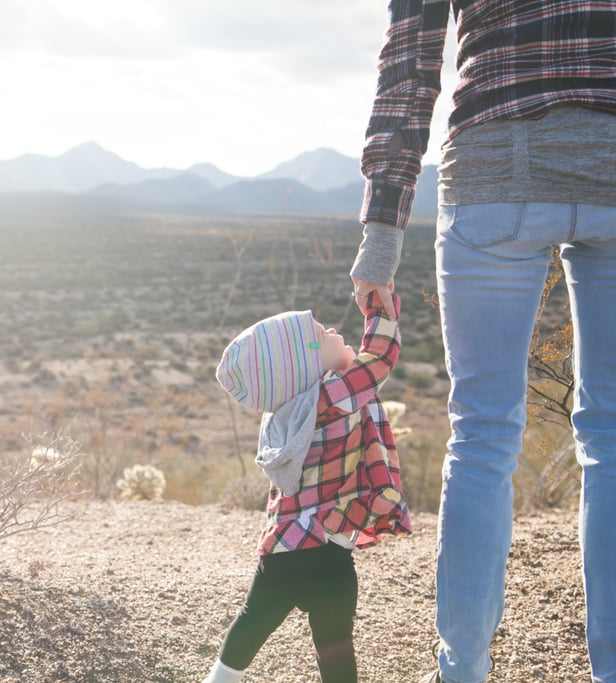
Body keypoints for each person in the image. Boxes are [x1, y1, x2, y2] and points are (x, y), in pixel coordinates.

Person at [351, 3, 616, 682]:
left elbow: (410, 63)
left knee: (482, 436)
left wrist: (381, 236)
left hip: (496, 163)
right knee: (614, 440)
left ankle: (460, 670)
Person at [204, 293, 412, 683]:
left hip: (283, 550)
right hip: (329, 554)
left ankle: (219, 679)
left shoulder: (282, 413)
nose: (332, 330)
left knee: (252, 624)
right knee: (335, 644)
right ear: (305, 363)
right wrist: (377, 305)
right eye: (321, 333)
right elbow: (380, 357)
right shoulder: (331, 396)